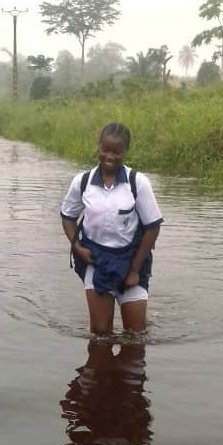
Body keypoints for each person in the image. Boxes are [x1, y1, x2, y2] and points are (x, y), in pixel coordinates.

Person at [60, 122, 163, 334]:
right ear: (98, 147)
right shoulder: (83, 182)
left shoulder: (138, 183)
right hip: (96, 261)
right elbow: (68, 217)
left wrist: (134, 270)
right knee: (100, 334)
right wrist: (76, 246)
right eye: (105, 149)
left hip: (132, 260)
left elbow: (152, 227)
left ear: (125, 152)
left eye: (116, 151)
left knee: (135, 335)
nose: (110, 156)